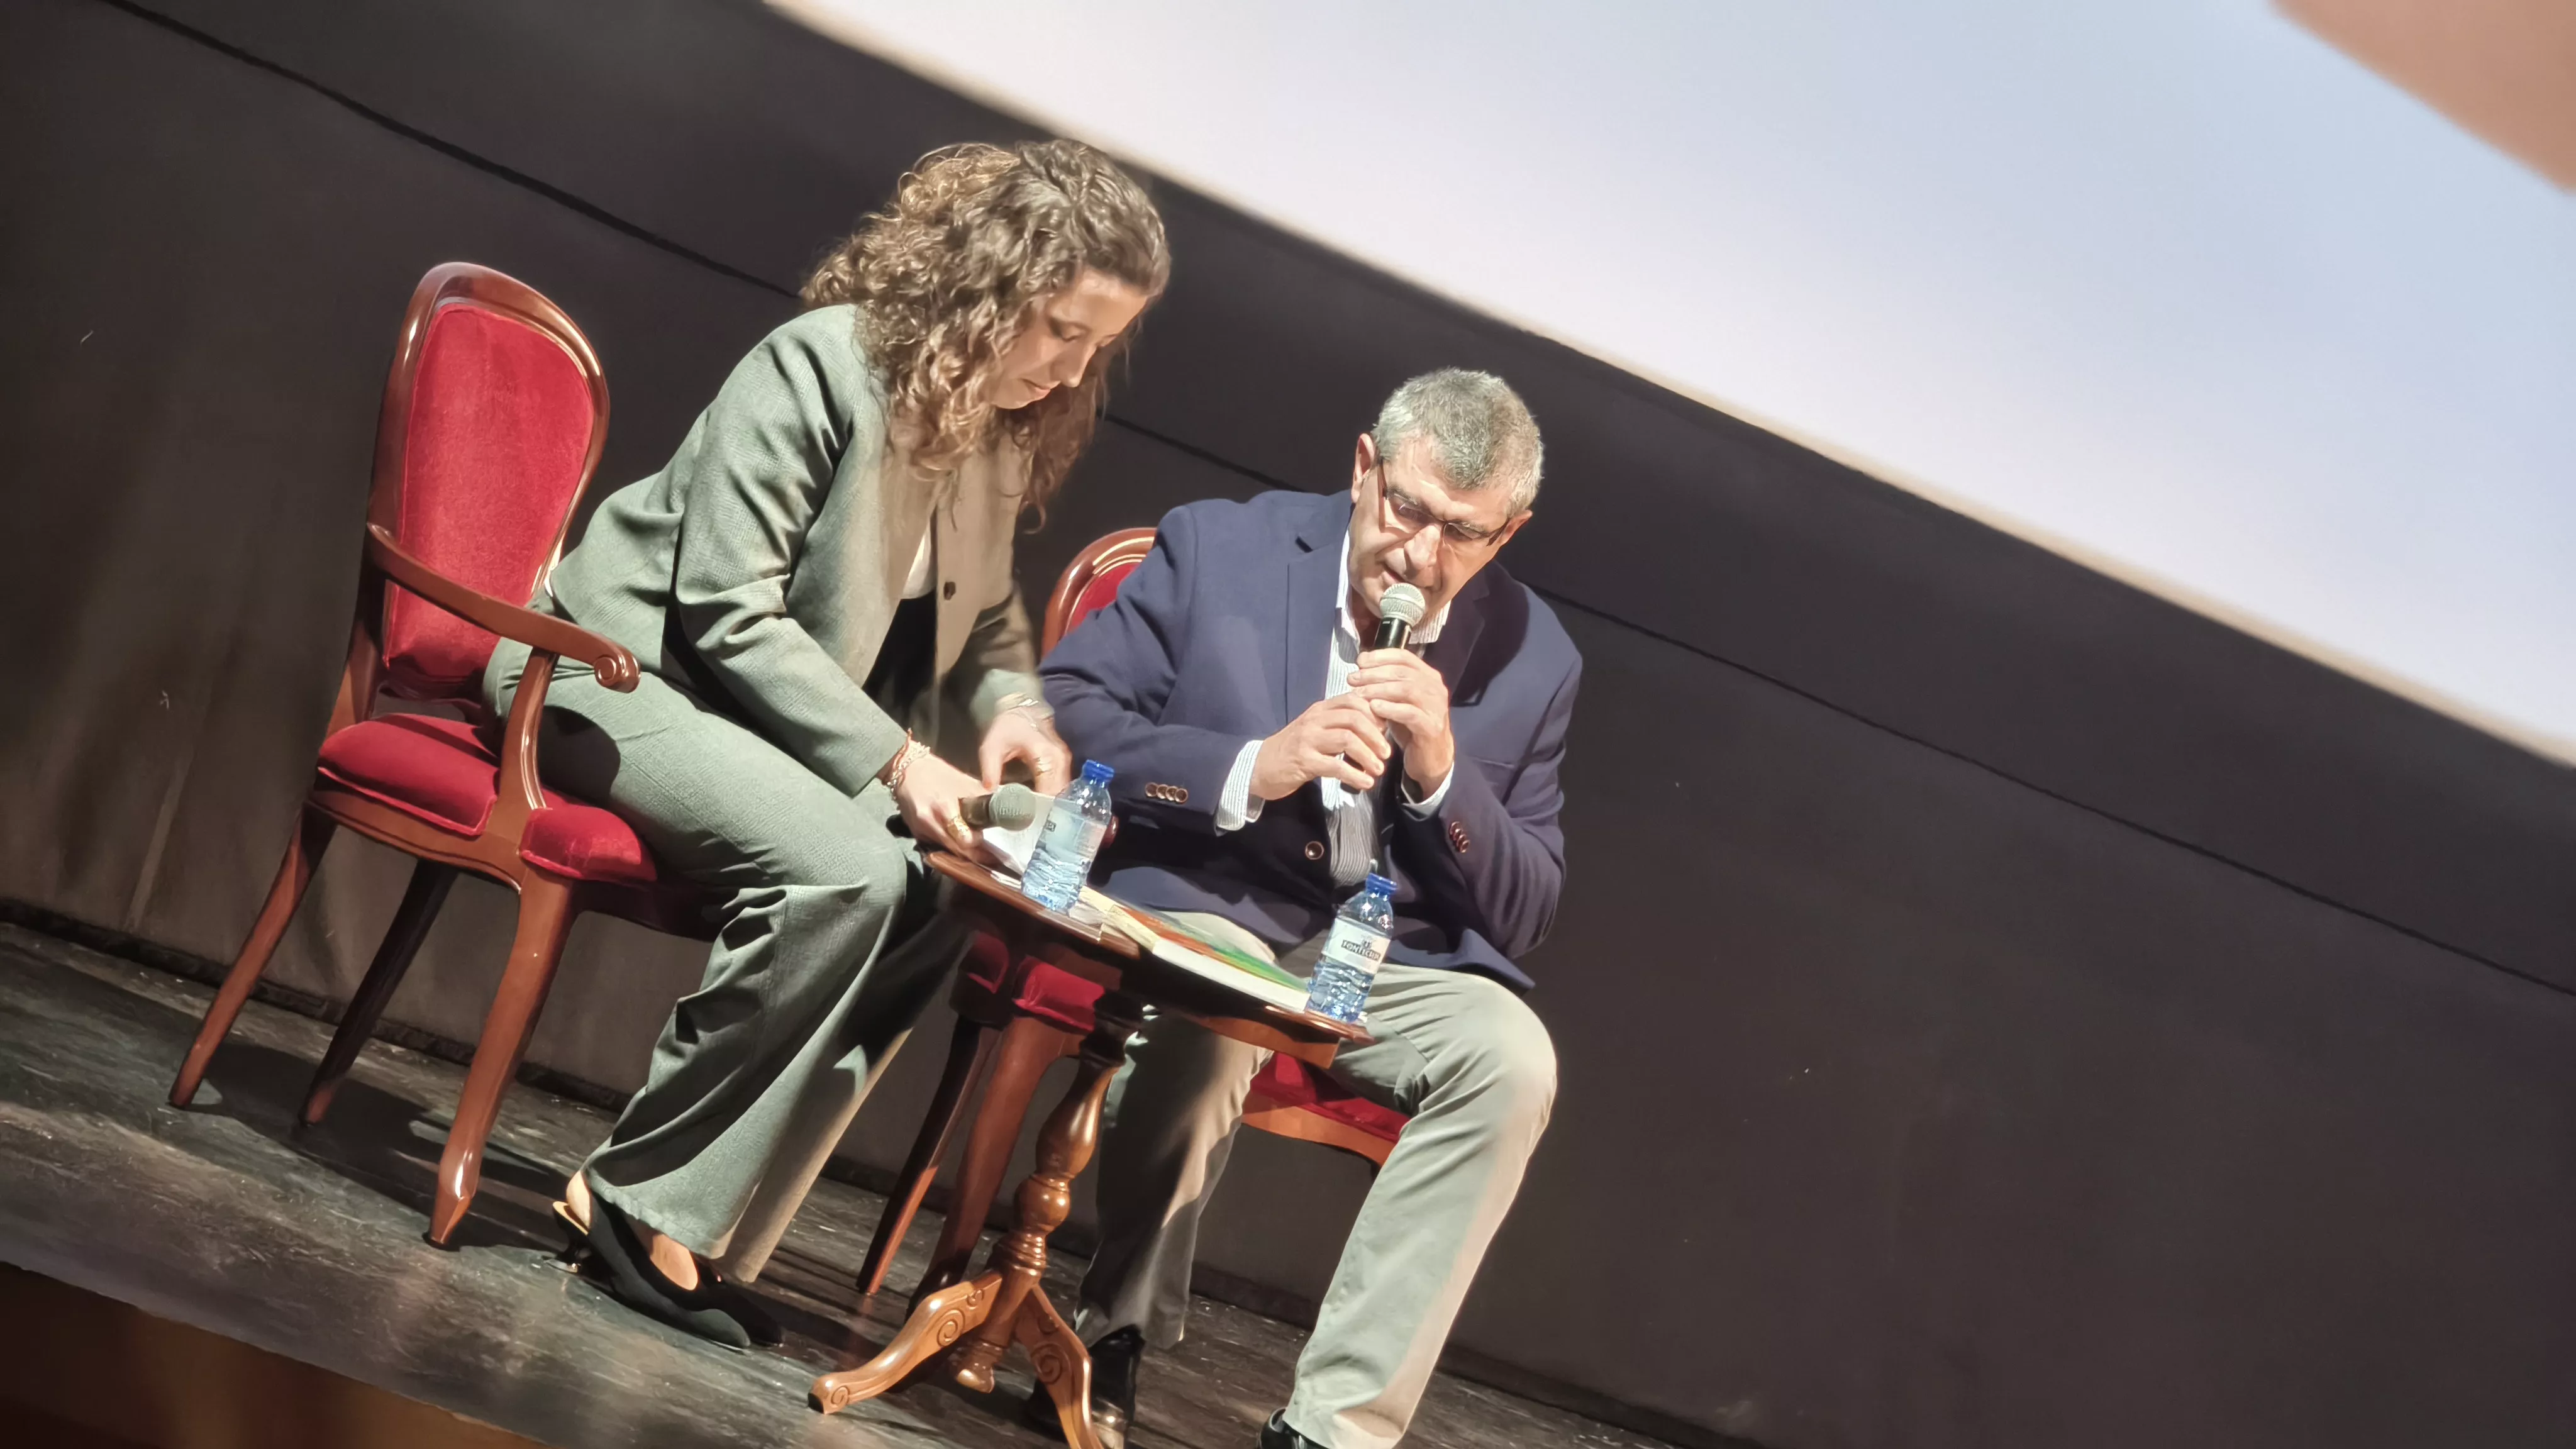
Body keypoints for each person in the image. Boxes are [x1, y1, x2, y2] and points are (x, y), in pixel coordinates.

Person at [480, 140, 1168, 1348]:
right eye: (1061, 328)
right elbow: (724, 613)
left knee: (939, 895)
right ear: (989, 287)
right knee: (848, 869)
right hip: (610, 677)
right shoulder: (816, 367)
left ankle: (711, 1225)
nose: (1073, 368)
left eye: (1098, 346)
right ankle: (630, 1196)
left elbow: (993, 618)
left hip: (747, 720)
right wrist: (902, 762)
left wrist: (1013, 707)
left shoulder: (992, 434)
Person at [1035, 370, 1578, 1448]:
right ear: (1365, 468)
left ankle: (1334, 1428)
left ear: (1508, 534)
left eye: (1461, 536)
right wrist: (1255, 765)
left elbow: (1527, 907)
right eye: (1407, 511)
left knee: (1513, 1061)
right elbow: (1073, 707)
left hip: (1386, 954)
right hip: (1216, 896)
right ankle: (1119, 1331)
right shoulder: (1223, 548)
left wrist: (1440, 774)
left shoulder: (1538, 657)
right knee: (1221, 1001)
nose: (1420, 558)